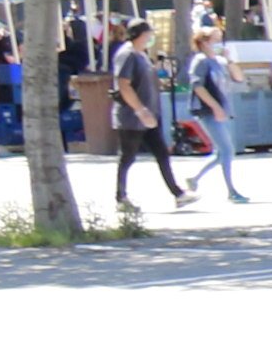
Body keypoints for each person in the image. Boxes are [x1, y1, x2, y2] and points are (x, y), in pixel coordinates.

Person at [104, 18, 192, 214]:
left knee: (162, 153)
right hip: (131, 116)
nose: (151, 37)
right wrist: (140, 110)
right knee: (127, 157)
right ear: (140, 34)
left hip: (150, 115)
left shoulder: (141, 55)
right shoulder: (126, 55)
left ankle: (178, 193)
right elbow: (123, 84)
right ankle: (121, 197)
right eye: (148, 34)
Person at [182, 24, 251, 205]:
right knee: (227, 150)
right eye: (215, 40)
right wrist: (215, 107)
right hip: (208, 111)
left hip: (222, 110)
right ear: (204, 42)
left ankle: (195, 179)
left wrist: (230, 60)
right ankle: (231, 190)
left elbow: (239, 77)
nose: (219, 43)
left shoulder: (220, 61)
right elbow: (198, 87)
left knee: (222, 152)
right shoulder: (200, 61)